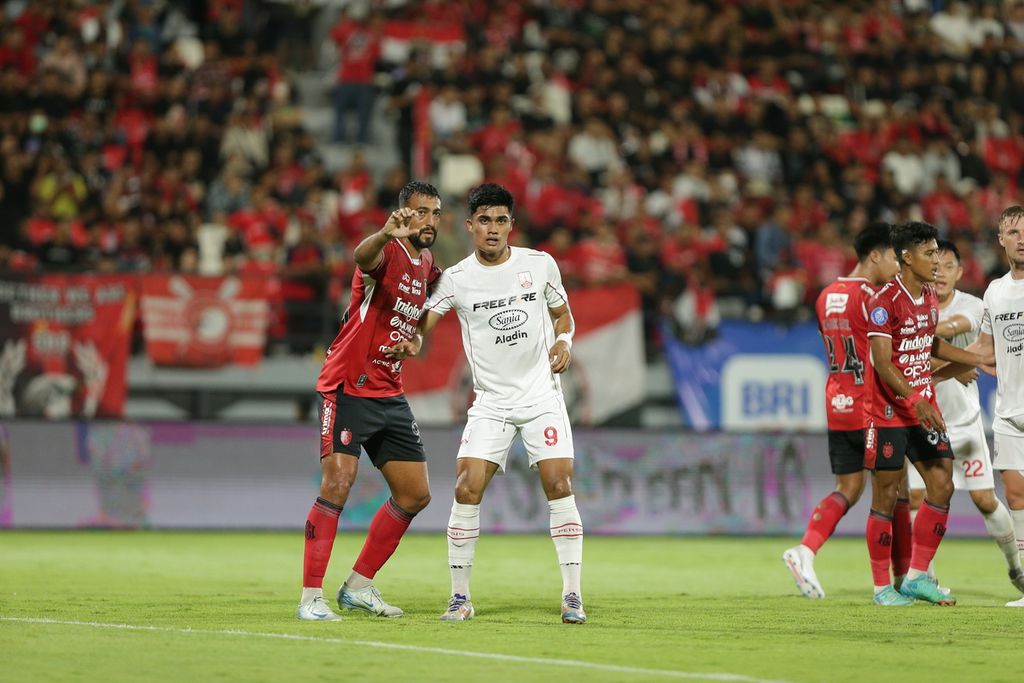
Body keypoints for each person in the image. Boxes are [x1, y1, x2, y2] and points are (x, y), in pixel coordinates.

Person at [385, 183, 585, 624]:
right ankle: (460, 598)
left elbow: (562, 314)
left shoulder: (539, 264)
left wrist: (565, 341)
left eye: (501, 220)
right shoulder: (456, 278)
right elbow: (427, 321)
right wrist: (414, 341)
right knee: (465, 487)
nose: (493, 229)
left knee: (560, 485)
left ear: (511, 225)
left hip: (540, 396)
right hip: (491, 402)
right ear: (470, 225)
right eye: (485, 221)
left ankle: (572, 595)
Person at [296, 181, 441, 621]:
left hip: (389, 391)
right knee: (338, 483)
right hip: (348, 385)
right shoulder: (388, 250)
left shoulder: (428, 262)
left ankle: (357, 586)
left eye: (435, 212)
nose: (429, 220)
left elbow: (435, 302)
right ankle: (310, 599)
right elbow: (362, 258)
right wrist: (384, 233)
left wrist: (418, 337)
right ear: (403, 213)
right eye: (420, 211)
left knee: (415, 494)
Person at [863, 221, 993, 606]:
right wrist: (916, 399)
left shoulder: (927, 298)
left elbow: (930, 342)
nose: (937, 261)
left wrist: (976, 358)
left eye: (938, 253)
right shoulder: (884, 302)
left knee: (942, 484)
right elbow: (883, 363)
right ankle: (881, 588)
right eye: (929, 253)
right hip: (889, 411)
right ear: (907, 257)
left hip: (923, 408)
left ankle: (918, 577)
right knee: (886, 496)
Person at [783, 222, 900, 599]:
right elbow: (885, 356)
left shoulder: (825, 295)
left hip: (837, 402)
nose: (898, 266)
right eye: (895, 257)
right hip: (869, 406)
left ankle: (805, 550)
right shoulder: (873, 298)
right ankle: (896, 582)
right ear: (875, 255)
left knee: (848, 488)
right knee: (891, 491)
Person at [907, 239, 1024, 595]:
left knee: (985, 501)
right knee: (917, 498)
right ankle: (923, 575)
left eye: (948, 266)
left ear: (960, 272)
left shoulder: (973, 306)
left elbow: (953, 327)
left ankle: (1015, 568)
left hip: (965, 424)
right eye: (935, 265)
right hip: (926, 423)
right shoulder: (915, 305)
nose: (940, 272)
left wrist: (916, 330)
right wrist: (950, 365)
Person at [970, 205, 1024, 608]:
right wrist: (934, 356)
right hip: (1008, 411)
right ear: (1001, 240)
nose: (1021, 238)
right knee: (1016, 494)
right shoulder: (994, 290)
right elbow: (985, 350)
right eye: (1013, 231)